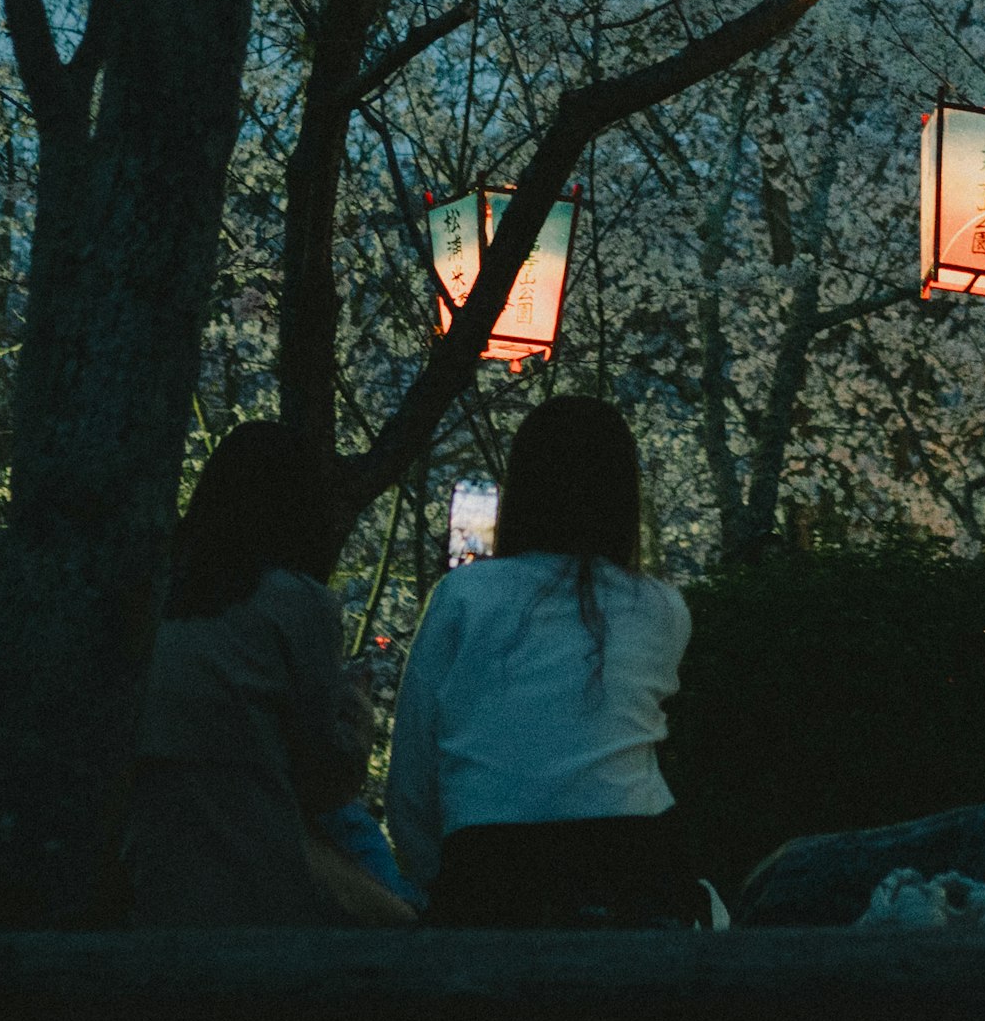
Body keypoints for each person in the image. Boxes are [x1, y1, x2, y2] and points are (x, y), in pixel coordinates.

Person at [386, 396, 705, 926]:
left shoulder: (464, 598)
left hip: (490, 868)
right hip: (636, 868)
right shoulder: (660, 607)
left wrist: (441, 881)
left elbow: (411, 781)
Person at [131, 420, 414, 927]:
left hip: (139, 856)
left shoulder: (148, 594)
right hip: (246, 862)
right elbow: (325, 776)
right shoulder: (298, 602)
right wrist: (357, 708)